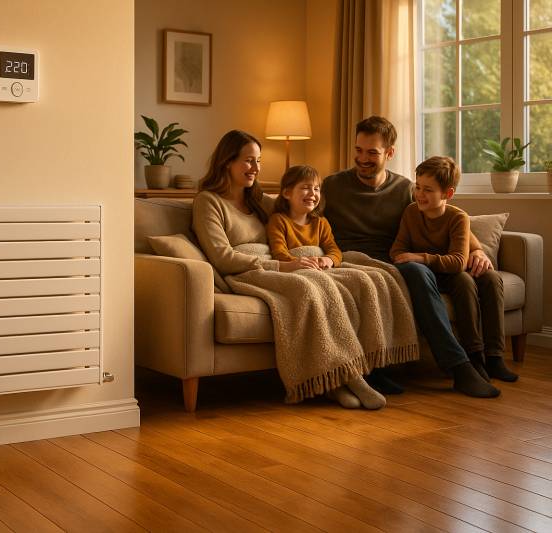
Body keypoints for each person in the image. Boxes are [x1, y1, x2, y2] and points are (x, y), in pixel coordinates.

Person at [191, 129, 402, 409]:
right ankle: (349, 375)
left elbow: (297, 215)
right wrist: (282, 265)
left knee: (342, 280)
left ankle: (334, 382)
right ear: (227, 161)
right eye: (249, 161)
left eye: (258, 161)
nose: (256, 168)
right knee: (306, 286)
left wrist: (323, 254)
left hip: (275, 266)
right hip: (245, 271)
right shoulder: (208, 202)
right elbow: (222, 257)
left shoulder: (259, 200)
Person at [322, 116, 499, 398]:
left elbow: (446, 216)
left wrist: (476, 249)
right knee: (411, 271)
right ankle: (457, 366)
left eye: (372, 152)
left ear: (390, 153)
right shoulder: (332, 186)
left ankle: (462, 365)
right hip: (350, 261)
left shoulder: (405, 189)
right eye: (358, 150)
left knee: (421, 271)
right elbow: (303, 217)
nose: (362, 159)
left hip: (393, 262)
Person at [390, 156, 517, 394]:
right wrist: (416, 260)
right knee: (464, 281)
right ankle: (474, 354)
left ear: (447, 193)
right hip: (434, 276)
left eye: (428, 190)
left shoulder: (457, 217)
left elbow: (458, 261)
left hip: (449, 269)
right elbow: (397, 250)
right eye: (418, 187)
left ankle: (494, 357)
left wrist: (421, 257)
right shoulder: (411, 213)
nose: (420, 194)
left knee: (491, 278)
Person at [266, 165, 342, 272]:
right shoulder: (278, 220)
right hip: (296, 269)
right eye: (306, 188)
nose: (313, 193)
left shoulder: (321, 222)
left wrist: (328, 260)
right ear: (287, 193)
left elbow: (334, 250)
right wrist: (301, 263)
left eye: (316, 189)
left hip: (318, 269)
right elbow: (279, 253)